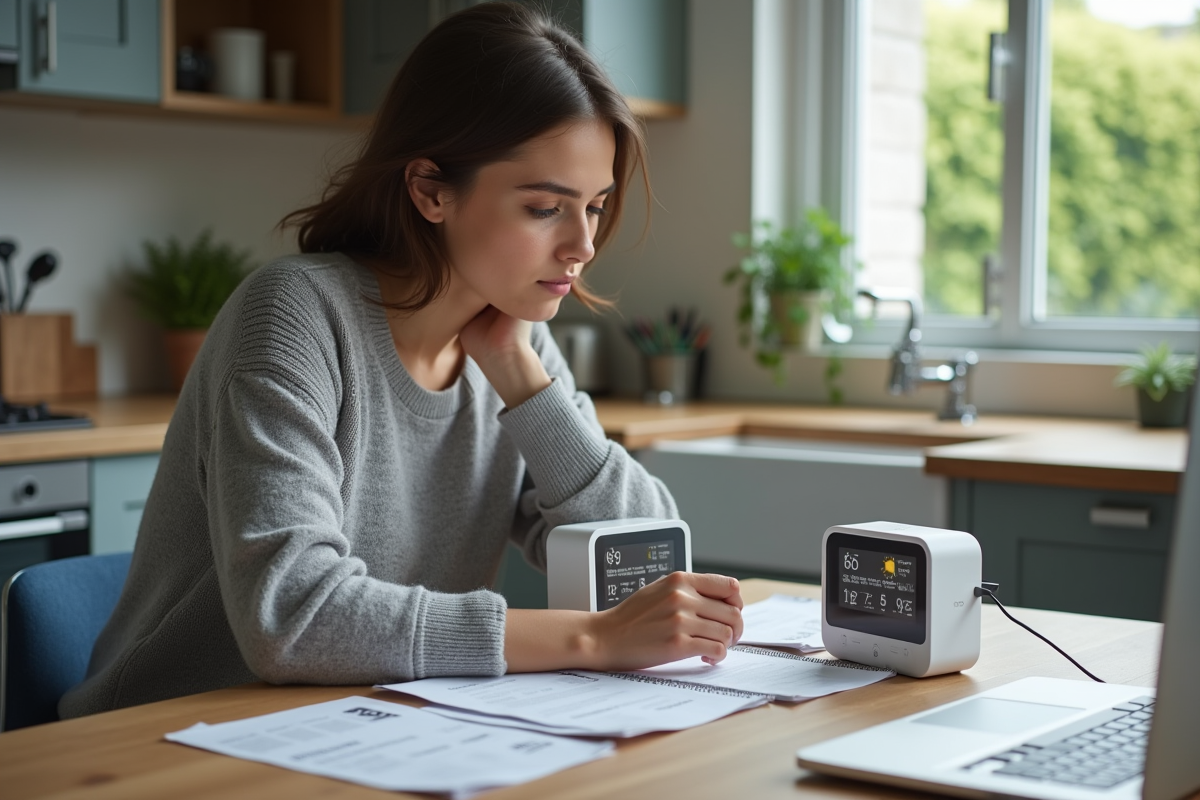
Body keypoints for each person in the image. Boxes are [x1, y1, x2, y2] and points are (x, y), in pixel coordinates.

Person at [60, 2, 742, 719]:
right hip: (170, 734)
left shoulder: (515, 340)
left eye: (596, 207)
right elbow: (293, 617)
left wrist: (522, 379)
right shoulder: (294, 316)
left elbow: (649, 563)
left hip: (363, 725)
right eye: (546, 208)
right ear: (430, 189)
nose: (583, 245)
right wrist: (589, 640)